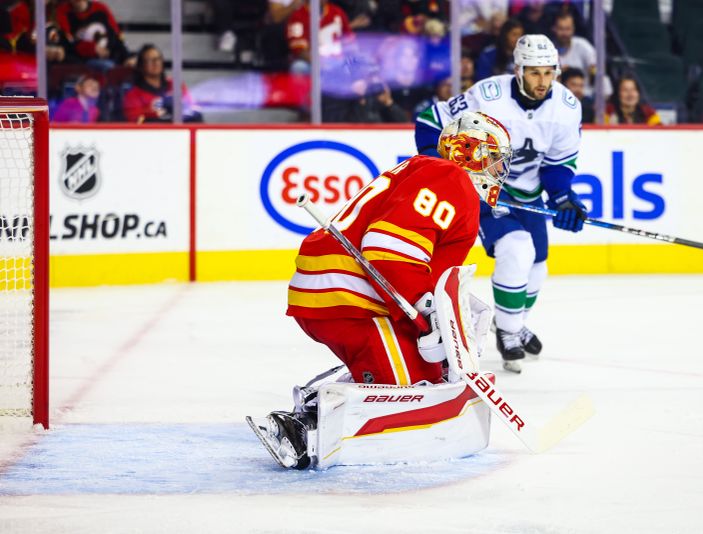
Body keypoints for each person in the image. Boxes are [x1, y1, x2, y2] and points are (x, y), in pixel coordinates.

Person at [260, 111, 512, 469]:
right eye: (496, 160)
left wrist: (436, 316)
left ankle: (314, 406)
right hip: (351, 297)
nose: (499, 172)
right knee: (417, 391)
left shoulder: (429, 173)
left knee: (424, 372)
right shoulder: (450, 178)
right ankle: (307, 429)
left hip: (339, 291)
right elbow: (389, 249)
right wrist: (426, 314)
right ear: (472, 152)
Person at [415, 34, 586, 373]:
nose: (543, 81)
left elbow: (557, 164)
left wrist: (565, 197)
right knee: (516, 248)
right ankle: (508, 333)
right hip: (485, 188)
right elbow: (429, 121)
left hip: (528, 191)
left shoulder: (566, 107)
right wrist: (442, 166)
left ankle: (514, 322)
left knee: (538, 267)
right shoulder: (488, 95)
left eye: (549, 73)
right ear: (519, 70)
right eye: (535, 73)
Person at [122, 44, 202, 123]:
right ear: (141, 65)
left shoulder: (176, 84)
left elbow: (189, 107)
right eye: (150, 60)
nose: (156, 63)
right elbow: (135, 123)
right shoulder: (132, 95)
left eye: (158, 59)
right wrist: (151, 111)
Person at [54, 0, 133, 69]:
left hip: (109, 56)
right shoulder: (62, 12)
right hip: (81, 60)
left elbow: (116, 35)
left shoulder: (100, 8)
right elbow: (67, 41)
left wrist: (127, 57)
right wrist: (91, 48)